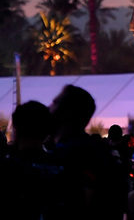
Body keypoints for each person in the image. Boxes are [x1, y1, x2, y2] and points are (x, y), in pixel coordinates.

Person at [44, 83, 127, 220]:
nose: (48, 108)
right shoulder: (100, 152)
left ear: (66, 113)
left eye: (54, 103)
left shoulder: (72, 155)